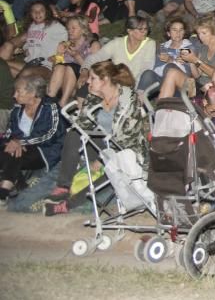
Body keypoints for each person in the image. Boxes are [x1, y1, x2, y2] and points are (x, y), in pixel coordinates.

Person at [44, 61, 146, 215]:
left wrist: (101, 160)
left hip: (126, 150)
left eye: (92, 78)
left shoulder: (128, 97)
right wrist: (92, 102)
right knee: (73, 134)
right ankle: (63, 186)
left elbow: (127, 138)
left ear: (104, 80)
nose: (88, 81)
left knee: (112, 172)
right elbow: (82, 126)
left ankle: (69, 204)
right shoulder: (94, 96)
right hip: (101, 144)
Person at [0, 75, 64, 204]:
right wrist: (12, 143)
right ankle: (18, 182)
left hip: (44, 151)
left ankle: (4, 191)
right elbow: (9, 134)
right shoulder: (17, 109)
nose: (14, 95)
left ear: (33, 93)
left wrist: (21, 142)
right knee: (11, 150)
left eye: (18, 91)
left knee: (15, 153)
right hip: (21, 148)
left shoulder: (50, 106)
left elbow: (51, 134)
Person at [0, 1, 67, 80]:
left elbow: (68, 40)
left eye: (41, 11)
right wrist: (24, 50)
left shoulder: (55, 25)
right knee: (5, 68)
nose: (37, 13)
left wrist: (58, 56)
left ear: (47, 12)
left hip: (46, 66)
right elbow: (29, 44)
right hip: (30, 64)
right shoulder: (32, 26)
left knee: (7, 66)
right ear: (30, 14)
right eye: (34, 11)